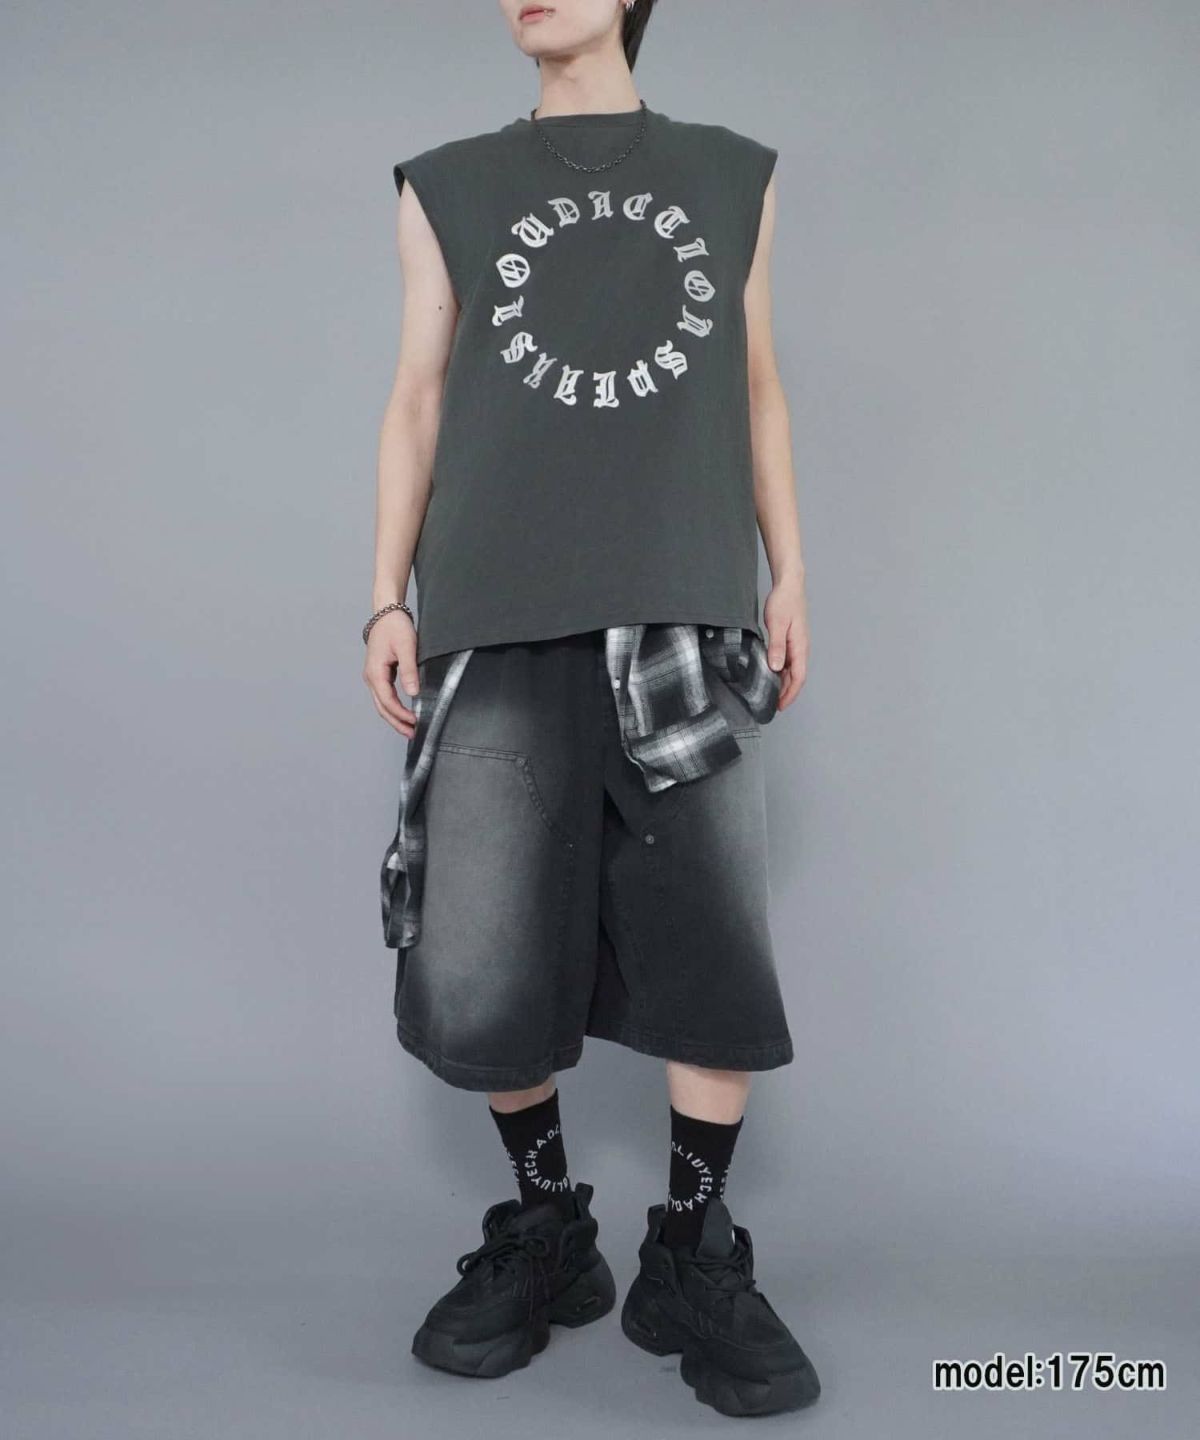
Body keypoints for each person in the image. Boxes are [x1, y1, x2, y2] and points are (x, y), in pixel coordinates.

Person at [363, 0, 818, 1418]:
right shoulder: (446, 183)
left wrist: (791, 569)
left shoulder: (730, 172)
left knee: (711, 947)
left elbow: (755, 381)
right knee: (487, 953)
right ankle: (550, 1226)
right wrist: (386, 598)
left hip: (680, 598)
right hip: (495, 599)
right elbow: (418, 396)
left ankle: (691, 1248)